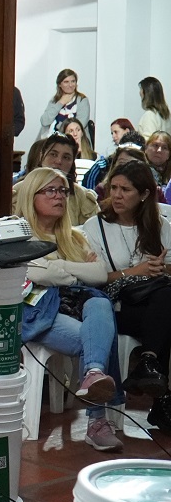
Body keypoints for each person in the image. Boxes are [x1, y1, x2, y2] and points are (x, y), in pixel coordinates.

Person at [15, 168, 125, 451]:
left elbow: (100, 274)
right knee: (97, 338)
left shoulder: (75, 236)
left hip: (77, 308)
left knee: (100, 302)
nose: (59, 197)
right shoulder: (20, 236)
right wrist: (76, 271)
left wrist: (57, 267)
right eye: (50, 190)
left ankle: (93, 374)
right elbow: (34, 273)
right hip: (40, 312)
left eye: (63, 191)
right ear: (31, 195)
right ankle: (97, 422)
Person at [83, 160, 171, 435]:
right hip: (115, 305)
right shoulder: (96, 226)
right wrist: (136, 271)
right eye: (114, 188)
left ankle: (148, 363)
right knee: (167, 304)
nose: (117, 195)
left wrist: (161, 269)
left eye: (126, 190)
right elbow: (94, 278)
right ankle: (159, 393)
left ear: (144, 194)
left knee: (166, 299)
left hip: (153, 305)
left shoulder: (160, 225)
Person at [12, 133, 98, 226]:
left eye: (66, 157)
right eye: (53, 154)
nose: (58, 161)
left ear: (72, 162)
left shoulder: (83, 197)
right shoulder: (19, 191)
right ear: (42, 156)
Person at [39, 69, 92, 139]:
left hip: (75, 140)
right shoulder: (54, 101)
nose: (70, 85)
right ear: (60, 84)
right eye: (66, 82)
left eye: (73, 81)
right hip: (53, 140)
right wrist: (61, 103)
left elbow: (79, 126)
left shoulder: (82, 100)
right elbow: (44, 121)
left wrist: (60, 129)